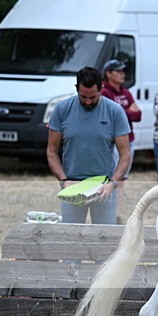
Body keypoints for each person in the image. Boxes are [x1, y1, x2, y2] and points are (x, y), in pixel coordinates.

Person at [46, 66, 131, 225]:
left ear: (101, 88)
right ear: (76, 88)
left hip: (104, 186)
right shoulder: (62, 109)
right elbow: (51, 151)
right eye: (83, 96)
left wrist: (112, 183)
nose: (88, 101)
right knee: (70, 236)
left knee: (105, 237)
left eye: (93, 97)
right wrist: (63, 180)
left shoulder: (115, 111)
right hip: (72, 186)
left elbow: (125, 155)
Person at [101, 58, 141, 219]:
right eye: (118, 71)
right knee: (112, 176)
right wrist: (126, 111)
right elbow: (111, 115)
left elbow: (138, 115)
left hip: (128, 139)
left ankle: (116, 213)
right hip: (112, 141)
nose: (123, 74)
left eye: (124, 71)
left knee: (122, 177)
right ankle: (108, 213)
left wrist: (123, 111)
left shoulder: (126, 92)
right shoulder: (104, 92)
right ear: (108, 73)